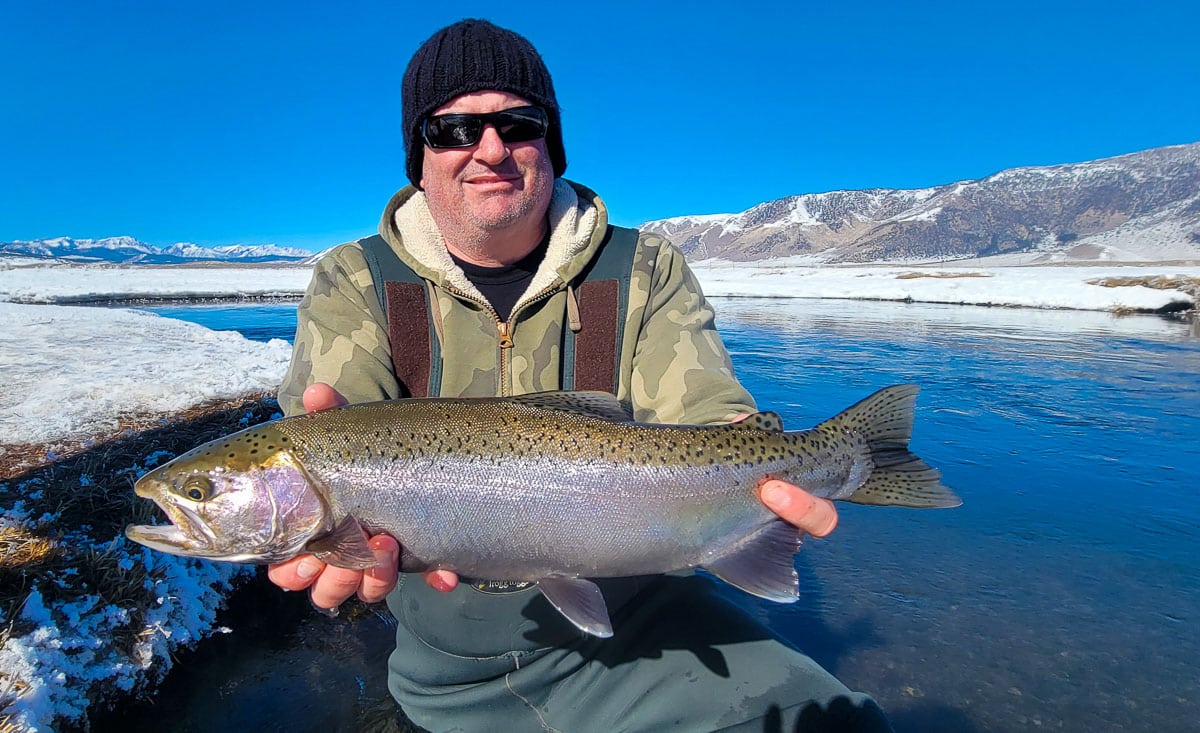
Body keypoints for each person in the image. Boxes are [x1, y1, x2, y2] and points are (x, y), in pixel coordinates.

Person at [270, 18, 892, 732]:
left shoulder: (644, 268)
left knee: (837, 722)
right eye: (454, 130)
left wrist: (755, 478)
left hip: (641, 622)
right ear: (420, 156)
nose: (492, 150)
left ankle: (857, 460)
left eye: (519, 123)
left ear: (551, 144)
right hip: (446, 653)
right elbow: (330, 433)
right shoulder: (355, 280)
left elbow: (706, 411)